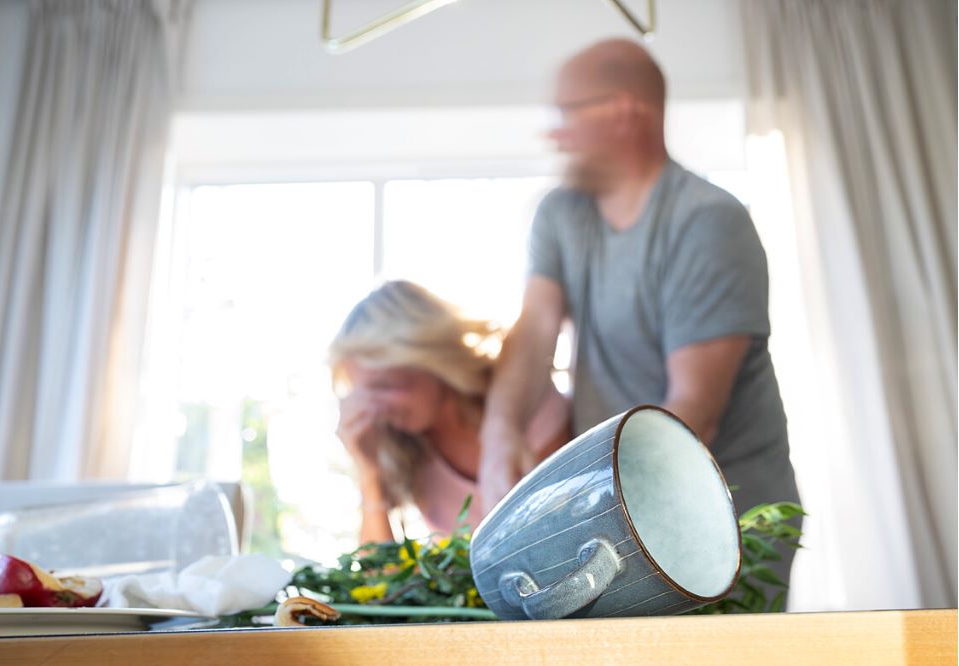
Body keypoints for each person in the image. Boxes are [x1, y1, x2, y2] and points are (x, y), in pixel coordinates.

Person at [479, 39, 802, 587]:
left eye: (567, 113)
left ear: (624, 110)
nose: (554, 133)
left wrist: (586, 512)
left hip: (726, 525)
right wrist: (498, 435)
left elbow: (694, 410)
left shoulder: (707, 222)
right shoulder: (561, 213)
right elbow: (535, 330)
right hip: (624, 510)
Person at [330, 280, 568, 543]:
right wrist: (370, 473)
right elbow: (378, 576)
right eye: (363, 394)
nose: (376, 409)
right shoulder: (409, 453)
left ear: (429, 358)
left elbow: (568, 524)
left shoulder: (521, 403)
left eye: (386, 385)